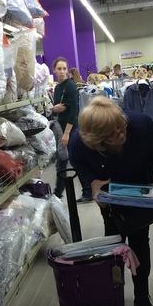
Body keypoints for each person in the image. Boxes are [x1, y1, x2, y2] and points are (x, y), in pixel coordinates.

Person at [69, 97, 153, 306]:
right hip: (110, 194)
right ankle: (112, 295)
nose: (121, 133)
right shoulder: (79, 141)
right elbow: (77, 161)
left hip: (140, 191)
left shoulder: (141, 125)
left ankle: (142, 296)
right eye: (112, 133)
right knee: (113, 243)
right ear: (97, 140)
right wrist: (92, 182)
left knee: (140, 242)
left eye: (121, 125)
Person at [51, 57, 93, 202]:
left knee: (74, 162)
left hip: (70, 129)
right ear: (54, 70)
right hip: (61, 128)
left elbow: (73, 110)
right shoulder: (58, 87)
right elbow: (58, 107)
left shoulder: (69, 86)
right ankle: (58, 193)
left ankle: (86, 192)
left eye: (64, 68)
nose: (62, 71)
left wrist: (67, 133)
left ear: (67, 70)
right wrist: (54, 108)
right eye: (59, 69)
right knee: (63, 162)